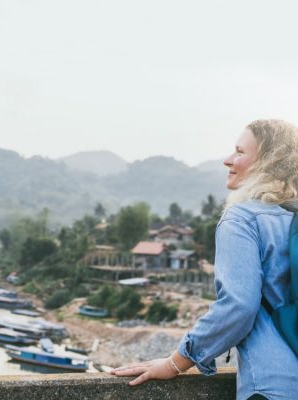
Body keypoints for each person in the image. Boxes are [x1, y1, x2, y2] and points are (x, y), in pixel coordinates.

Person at [111, 119, 298, 400]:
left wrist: (175, 362)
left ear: (266, 162)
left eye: (239, 152)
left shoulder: (243, 218)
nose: (228, 160)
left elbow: (238, 305)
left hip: (274, 384)